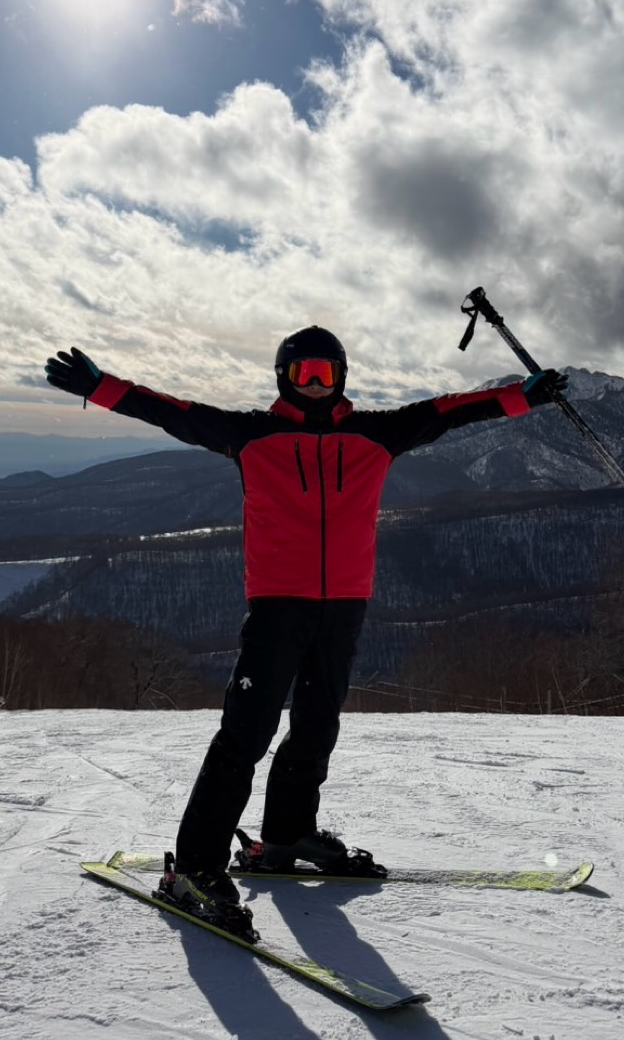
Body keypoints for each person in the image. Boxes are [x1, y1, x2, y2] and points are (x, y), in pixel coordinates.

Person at [45, 324, 566, 931]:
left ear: (341, 377)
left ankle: (287, 834)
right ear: (283, 378)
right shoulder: (251, 434)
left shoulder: (376, 433)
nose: (316, 384)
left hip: (344, 605)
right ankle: (193, 866)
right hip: (278, 607)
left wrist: (524, 397)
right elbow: (171, 412)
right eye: (303, 373)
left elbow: (451, 411)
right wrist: (101, 388)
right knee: (245, 735)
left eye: (326, 373)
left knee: (317, 726)